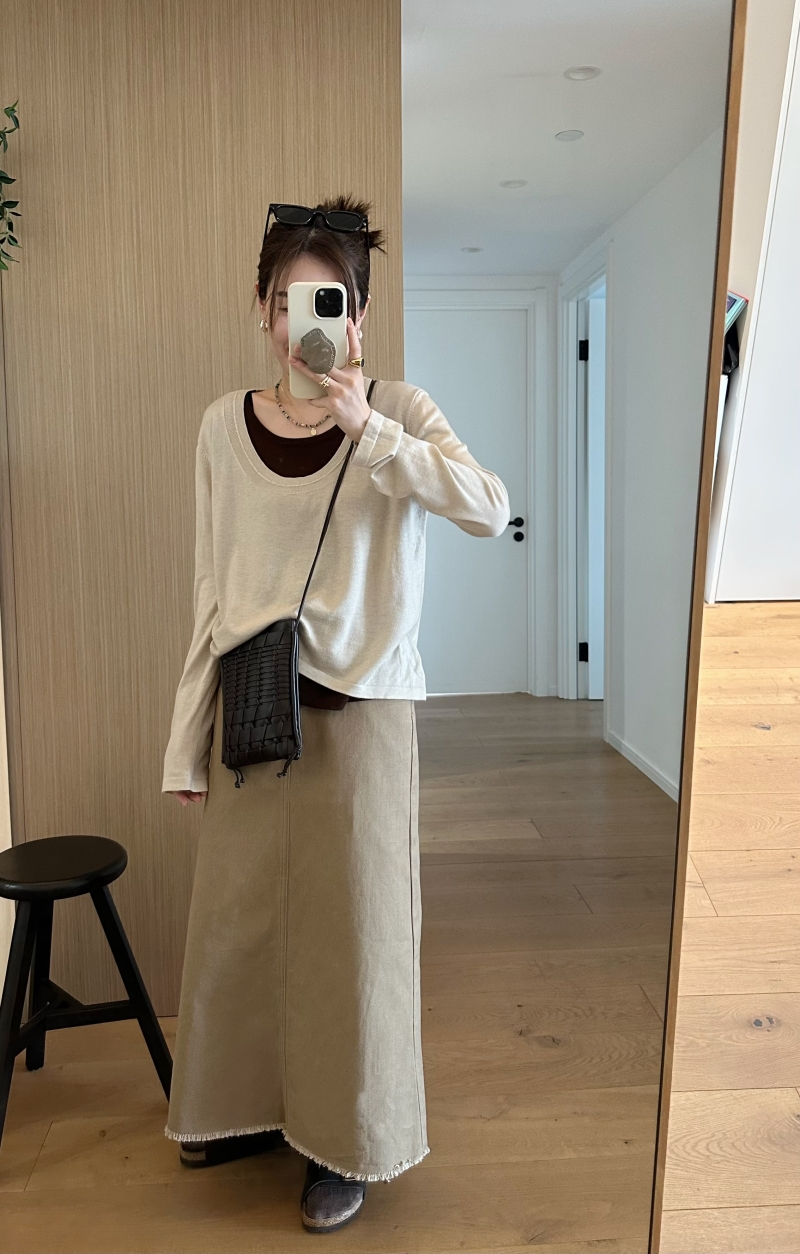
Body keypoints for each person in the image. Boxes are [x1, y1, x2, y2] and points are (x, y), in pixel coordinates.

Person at [161, 195, 510, 1233]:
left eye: (325, 302)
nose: (299, 323)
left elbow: (489, 507)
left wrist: (370, 431)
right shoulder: (220, 426)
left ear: (357, 317)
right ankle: (242, 1109)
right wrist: (183, 740)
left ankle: (343, 1142)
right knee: (242, 927)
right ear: (262, 309)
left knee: (351, 942)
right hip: (251, 712)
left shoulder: (398, 409)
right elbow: (210, 592)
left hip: (362, 717)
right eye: (284, 301)